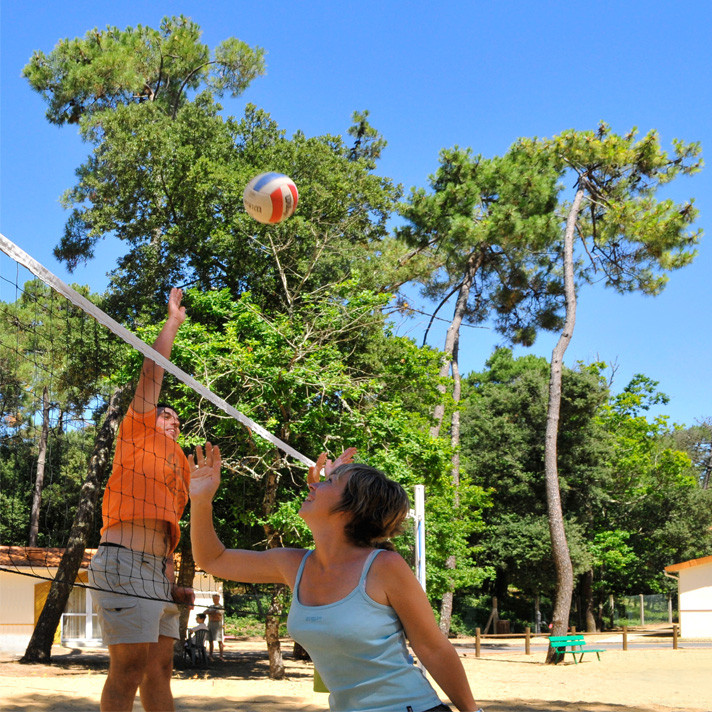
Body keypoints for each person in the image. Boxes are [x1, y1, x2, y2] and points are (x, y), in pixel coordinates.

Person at [189, 445, 483, 712]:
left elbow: (433, 647)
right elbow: (213, 559)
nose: (314, 483)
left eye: (328, 482)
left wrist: (472, 711)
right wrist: (201, 501)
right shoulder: (293, 564)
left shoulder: (384, 566)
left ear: (351, 509)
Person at [88, 288, 195, 712]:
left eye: (176, 418)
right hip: (123, 561)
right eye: (164, 413)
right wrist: (172, 323)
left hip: (157, 571)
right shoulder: (136, 433)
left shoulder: (182, 465)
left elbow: (172, 530)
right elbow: (153, 375)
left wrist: (170, 580)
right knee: (129, 669)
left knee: (160, 669)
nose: (170, 418)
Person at [203, 593, 225, 660]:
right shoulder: (211, 606)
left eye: (216, 599)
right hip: (210, 623)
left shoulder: (221, 607)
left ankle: (221, 655)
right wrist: (212, 612)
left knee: (219, 640)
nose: (215, 600)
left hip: (217, 624)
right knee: (210, 640)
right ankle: (210, 655)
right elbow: (205, 612)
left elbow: (218, 613)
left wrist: (211, 612)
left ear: (219, 599)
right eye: (214, 599)